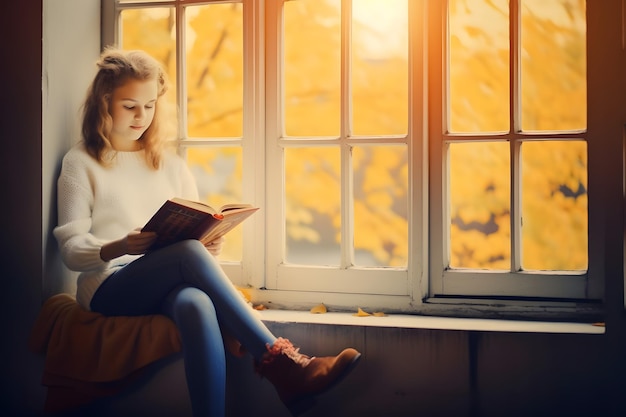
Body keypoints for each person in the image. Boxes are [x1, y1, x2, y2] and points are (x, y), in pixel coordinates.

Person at [53, 48, 361, 417]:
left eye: (150, 106)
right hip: (108, 288)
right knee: (186, 255)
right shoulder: (80, 162)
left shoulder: (171, 165)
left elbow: (189, 252)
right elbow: (70, 249)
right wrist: (120, 245)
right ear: (104, 103)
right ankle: (284, 365)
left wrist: (208, 243)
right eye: (130, 105)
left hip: (165, 280)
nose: (142, 117)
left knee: (196, 305)